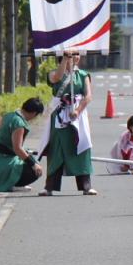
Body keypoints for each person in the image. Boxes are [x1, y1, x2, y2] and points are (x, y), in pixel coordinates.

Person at [38, 51, 97, 196]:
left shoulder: (83, 75)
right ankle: (49, 186)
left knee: (81, 147)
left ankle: (86, 186)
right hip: (59, 116)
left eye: (77, 54)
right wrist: (65, 60)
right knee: (56, 149)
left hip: (78, 116)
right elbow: (56, 78)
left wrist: (77, 111)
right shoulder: (54, 73)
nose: (76, 57)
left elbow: (88, 96)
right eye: (73, 54)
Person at [0, 97, 45, 192]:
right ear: (34, 113)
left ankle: (11, 183)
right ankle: (11, 185)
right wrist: (34, 165)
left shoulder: (9, 115)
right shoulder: (19, 123)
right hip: (3, 160)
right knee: (35, 170)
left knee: (30, 160)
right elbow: (17, 148)